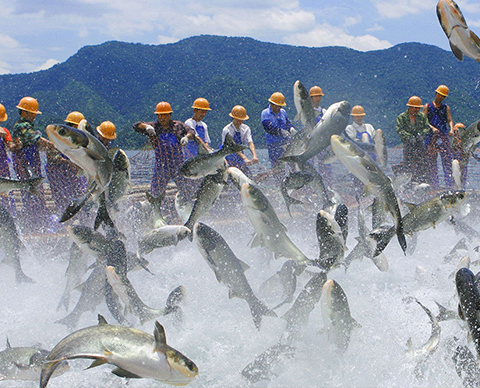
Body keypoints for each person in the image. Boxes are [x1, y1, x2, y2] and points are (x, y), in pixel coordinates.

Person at [133, 101, 206, 201]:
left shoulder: (178, 126)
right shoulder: (154, 127)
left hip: (178, 165)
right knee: (155, 193)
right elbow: (136, 125)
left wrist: (187, 137)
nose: (162, 118)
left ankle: (188, 210)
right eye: (160, 115)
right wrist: (146, 127)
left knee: (187, 190)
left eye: (165, 115)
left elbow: (191, 131)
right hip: (162, 166)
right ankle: (154, 212)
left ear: (170, 115)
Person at [11, 96, 54, 231]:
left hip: (31, 164)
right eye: (33, 113)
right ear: (24, 113)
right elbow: (38, 140)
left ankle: (38, 223)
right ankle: (36, 225)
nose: (35, 116)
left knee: (34, 193)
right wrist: (55, 145)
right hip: (26, 165)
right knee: (33, 193)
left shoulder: (26, 126)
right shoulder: (22, 126)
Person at [46, 111, 88, 215]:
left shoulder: (79, 139)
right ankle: (65, 220)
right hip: (58, 173)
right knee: (62, 198)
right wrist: (69, 163)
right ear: (74, 125)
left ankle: (82, 217)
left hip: (73, 173)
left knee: (81, 194)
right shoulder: (58, 136)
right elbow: (52, 156)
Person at [423, 85, 455, 188]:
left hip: (443, 136)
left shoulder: (446, 108)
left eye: (443, 96)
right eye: (440, 95)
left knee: (447, 161)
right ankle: (434, 185)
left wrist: (451, 129)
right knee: (432, 161)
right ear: (436, 94)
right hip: (431, 137)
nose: (441, 97)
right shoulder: (427, 106)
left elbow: (450, 119)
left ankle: (449, 184)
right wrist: (432, 128)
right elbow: (424, 121)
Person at [396, 96, 431, 185]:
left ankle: (424, 182)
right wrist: (409, 137)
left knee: (423, 163)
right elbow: (399, 130)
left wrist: (421, 135)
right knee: (408, 165)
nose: (416, 110)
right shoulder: (402, 117)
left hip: (420, 144)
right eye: (415, 108)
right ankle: (409, 184)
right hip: (408, 144)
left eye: (418, 108)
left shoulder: (422, 117)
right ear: (410, 107)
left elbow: (427, 128)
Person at [261, 92, 296, 169]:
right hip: (273, 144)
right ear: (271, 104)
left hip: (286, 142)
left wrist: (291, 128)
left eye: (280, 106)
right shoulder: (265, 113)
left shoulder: (283, 112)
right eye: (277, 106)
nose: (279, 108)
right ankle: (278, 180)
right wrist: (280, 131)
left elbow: (287, 123)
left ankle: (294, 177)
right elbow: (268, 128)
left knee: (292, 163)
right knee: (277, 166)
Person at [222, 105, 258, 176]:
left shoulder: (246, 128)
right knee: (230, 177)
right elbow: (233, 146)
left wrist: (254, 155)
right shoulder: (227, 129)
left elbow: (250, 143)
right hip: (227, 154)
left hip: (239, 155)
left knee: (248, 176)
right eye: (238, 119)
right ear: (233, 117)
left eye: (241, 119)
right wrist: (244, 158)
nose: (240, 121)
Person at [0, 103, 16, 213]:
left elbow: (11, 146)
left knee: (6, 195)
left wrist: (17, 144)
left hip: (3, 167)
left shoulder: (5, 132)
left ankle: (10, 217)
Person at [450, 122, 469, 187]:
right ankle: (453, 188)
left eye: (461, 131)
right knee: (453, 174)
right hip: (454, 161)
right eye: (457, 131)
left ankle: (462, 188)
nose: (459, 133)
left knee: (463, 175)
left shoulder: (466, 140)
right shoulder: (452, 140)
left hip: (463, 161)